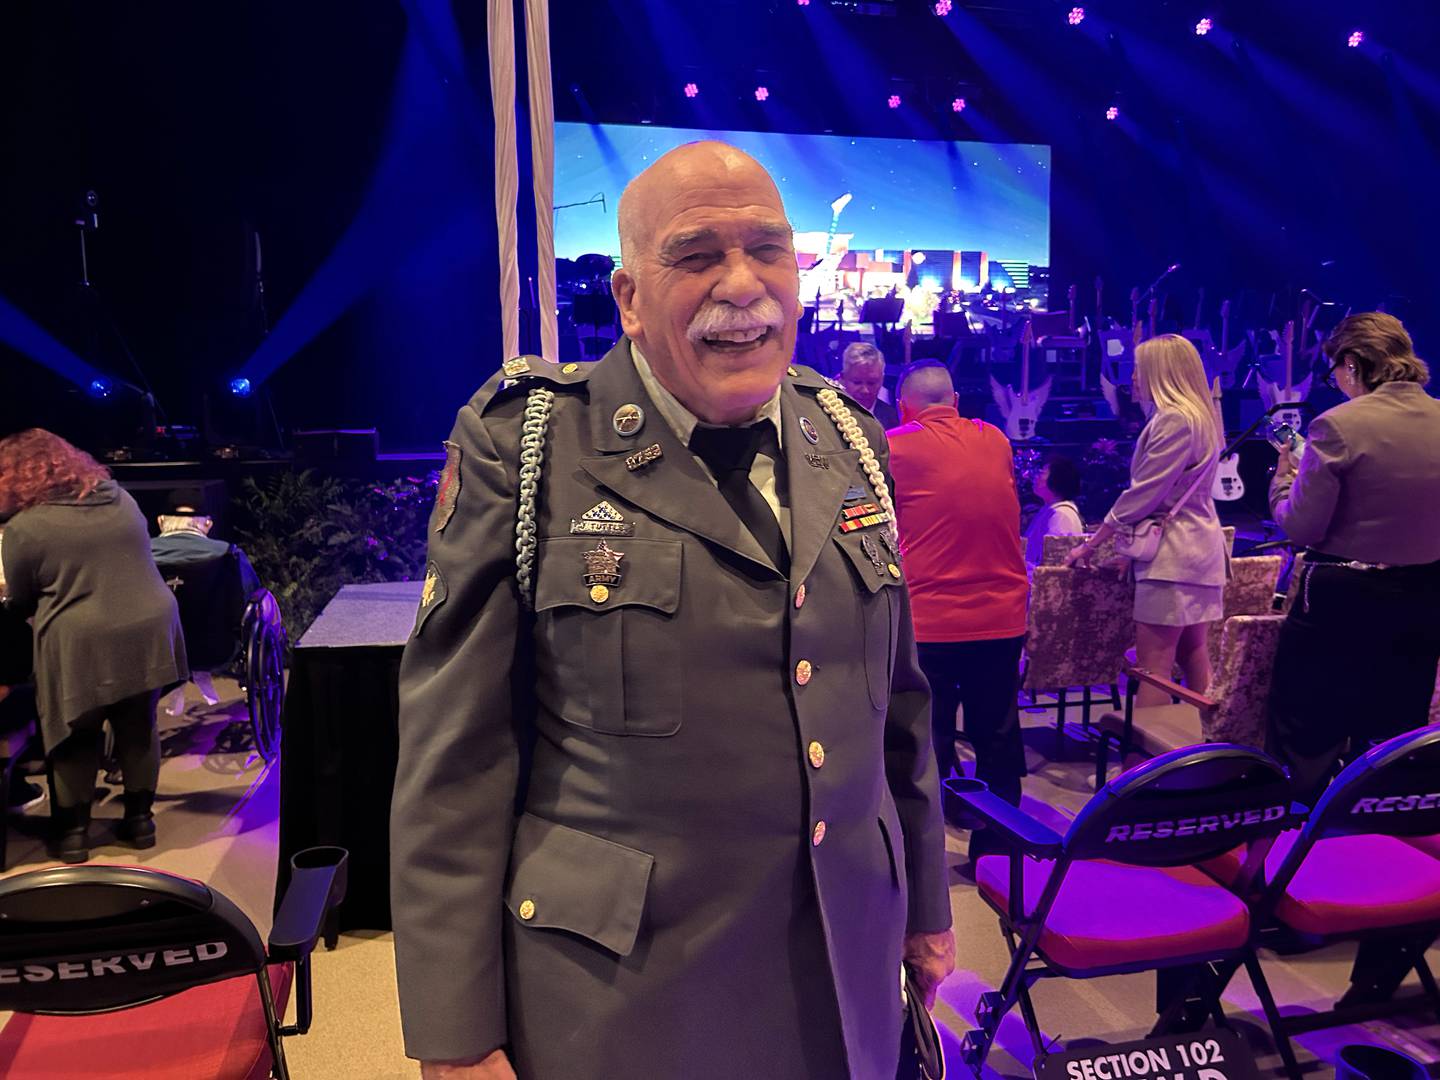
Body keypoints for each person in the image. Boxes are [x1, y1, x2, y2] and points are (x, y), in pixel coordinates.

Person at [391, 141, 954, 1080]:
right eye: (696, 257)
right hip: (622, 998)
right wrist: (455, 1033)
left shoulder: (848, 436)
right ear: (630, 298)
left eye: (769, 250)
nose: (744, 286)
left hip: (843, 962)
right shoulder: (530, 445)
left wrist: (928, 900)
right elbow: (456, 761)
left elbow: (896, 703)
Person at [1267, 312, 1440, 800]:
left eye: (1335, 373)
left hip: (1343, 598)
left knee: (1308, 730)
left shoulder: (1338, 425)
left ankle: (1290, 854)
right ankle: (1385, 843)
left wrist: (1283, 478)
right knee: (1395, 729)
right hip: (1426, 593)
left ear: (1351, 364)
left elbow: (1303, 525)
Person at [0, 429, 187, 862]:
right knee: (138, 725)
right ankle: (140, 823)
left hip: (84, 639)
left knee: (73, 732)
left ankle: (73, 834)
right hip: (151, 627)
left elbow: (21, 599)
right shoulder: (121, 498)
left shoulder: (25, 528)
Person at [887, 361, 1029, 839]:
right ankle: (999, 843)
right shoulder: (996, 439)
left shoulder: (894, 445)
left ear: (905, 408)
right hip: (1004, 617)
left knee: (929, 735)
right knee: (998, 733)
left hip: (932, 621)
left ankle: (926, 846)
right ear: (955, 403)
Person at [1067, 335, 1225, 707]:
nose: (1133, 377)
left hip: (1174, 558)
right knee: (1193, 655)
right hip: (1197, 551)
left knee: (1154, 666)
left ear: (1161, 372)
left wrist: (1092, 542)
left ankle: (1147, 762)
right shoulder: (1201, 415)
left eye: (1140, 368)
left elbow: (1144, 494)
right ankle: (1207, 751)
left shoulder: (1175, 420)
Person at [1023, 453, 1084, 567]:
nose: (1037, 477)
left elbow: (1054, 560)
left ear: (1056, 480)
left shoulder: (1061, 515)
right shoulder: (1050, 509)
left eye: (1042, 473)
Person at [839, 341, 900, 429]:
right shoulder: (829, 412)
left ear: (882, 380)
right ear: (843, 378)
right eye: (857, 382)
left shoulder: (894, 419)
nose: (865, 390)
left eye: (871, 383)